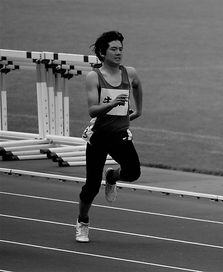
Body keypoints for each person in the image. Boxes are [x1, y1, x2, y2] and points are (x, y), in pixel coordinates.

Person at [76, 30, 143, 243]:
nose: (118, 53)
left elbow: (138, 86)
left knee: (133, 173)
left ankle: (113, 176)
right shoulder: (94, 77)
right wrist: (111, 104)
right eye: (113, 49)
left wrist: (139, 110)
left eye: (121, 49)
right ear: (102, 52)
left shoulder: (129, 73)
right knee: (91, 186)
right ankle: (82, 222)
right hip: (100, 136)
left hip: (120, 134)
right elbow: (92, 110)